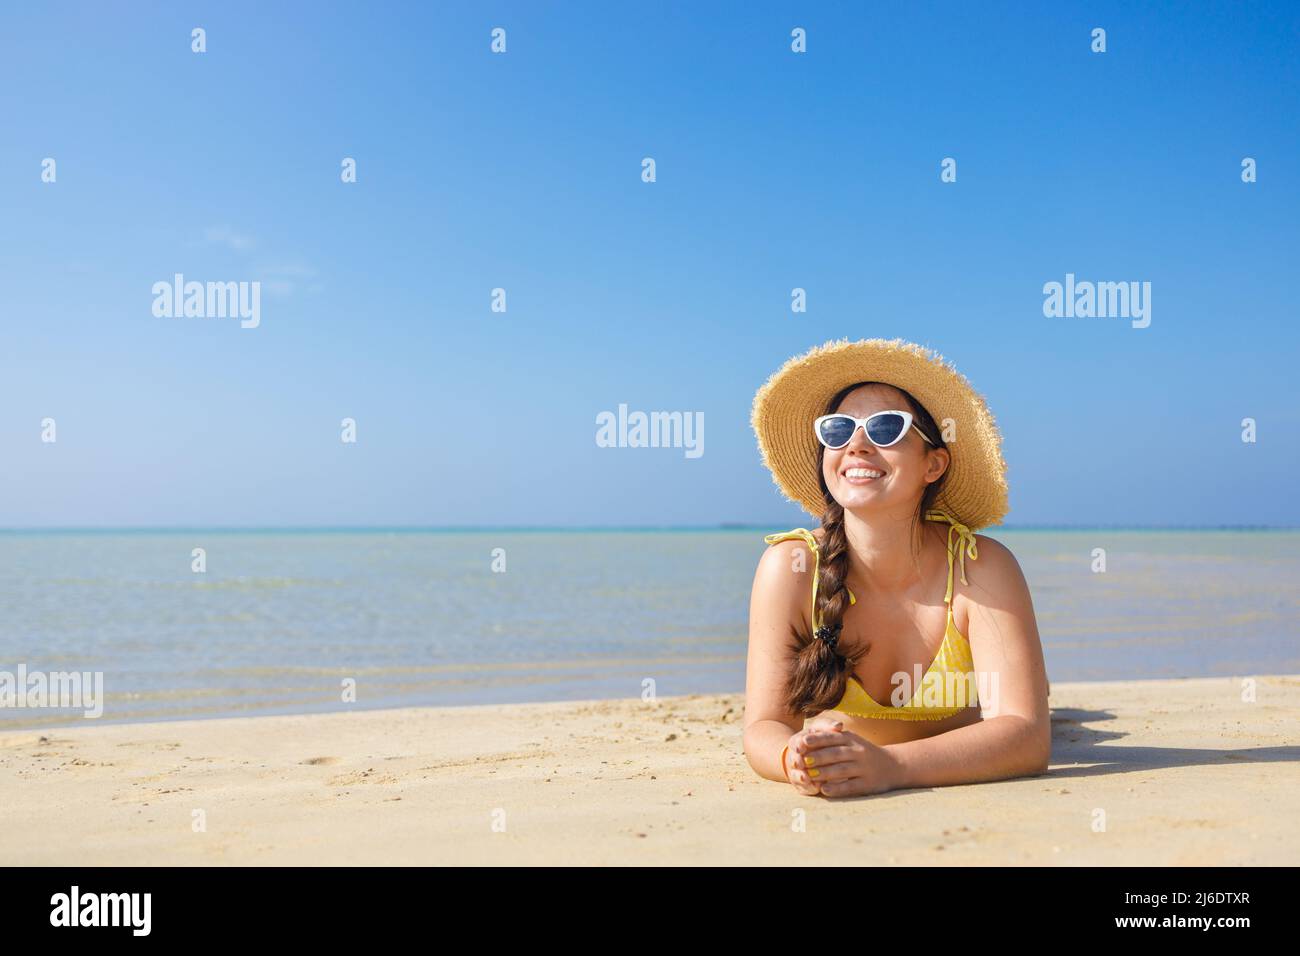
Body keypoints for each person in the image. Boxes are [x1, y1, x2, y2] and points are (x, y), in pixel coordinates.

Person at [744, 338, 1051, 797]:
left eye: (886, 428)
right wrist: (794, 759)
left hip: (911, 759)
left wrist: (891, 767)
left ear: (934, 464)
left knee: (1043, 700)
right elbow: (765, 724)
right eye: (838, 429)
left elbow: (1026, 736)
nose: (857, 444)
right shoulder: (789, 569)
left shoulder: (979, 567)